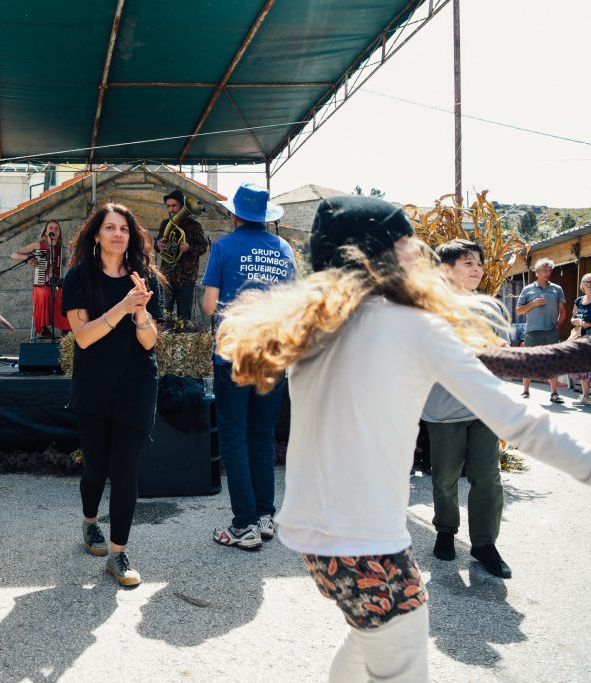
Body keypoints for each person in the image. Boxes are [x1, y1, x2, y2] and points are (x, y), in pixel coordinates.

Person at [215, 195, 590, 682]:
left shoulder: (313, 325)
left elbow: (472, 364)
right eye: (407, 240)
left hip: (313, 534)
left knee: (367, 639)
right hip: (365, 538)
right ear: (383, 253)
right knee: (401, 660)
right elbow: (521, 422)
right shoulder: (411, 324)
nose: (420, 251)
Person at [61, 203, 163, 587]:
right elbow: (84, 338)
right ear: (96, 235)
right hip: (94, 385)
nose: (118, 234)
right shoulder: (79, 278)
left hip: (137, 384)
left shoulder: (145, 278)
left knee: (125, 471)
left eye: (124, 228)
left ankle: (118, 554)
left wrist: (140, 313)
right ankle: (90, 523)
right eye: (110, 228)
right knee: (97, 467)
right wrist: (123, 306)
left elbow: (150, 341)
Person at [201, 182, 295, 551]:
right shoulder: (284, 249)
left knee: (234, 436)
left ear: (235, 213)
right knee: (261, 434)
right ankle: (265, 516)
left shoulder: (224, 246)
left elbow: (209, 306)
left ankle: (244, 524)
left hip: (235, 352)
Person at [420, 240, 511, 578]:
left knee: (488, 476)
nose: (477, 269)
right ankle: (445, 530)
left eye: (479, 264)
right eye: (468, 263)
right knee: (445, 476)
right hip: (444, 408)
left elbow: (503, 355)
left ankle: (484, 544)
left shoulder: (493, 308)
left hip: (484, 406)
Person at [515, 258, 566, 403]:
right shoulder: (527, 289)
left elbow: (563, 311)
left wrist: (557, 327)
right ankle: (525, 391)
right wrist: (533, 303)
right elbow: (519, 311)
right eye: (545, 270)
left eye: (550, 270)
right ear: (537, 272)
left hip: (550, 332)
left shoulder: (557, 289)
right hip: (532, 331)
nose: (548, 273)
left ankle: (554, 394)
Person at [11, 219, 71, 338]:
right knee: (45, 292)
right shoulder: (38, 245)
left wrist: (67, 263)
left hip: (58, 285)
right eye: (51, 228)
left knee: (68, 294)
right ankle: (42, 328)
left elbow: (70, 264)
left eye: (56, 228)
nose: (53, 230)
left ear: (59, 233)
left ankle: (66, 328)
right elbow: (14, 254)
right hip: (42, 285)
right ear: (45, 232)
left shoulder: (63, 249)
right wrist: (27, 258)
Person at [154, 189, 208, 322]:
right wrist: (158, 245)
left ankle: (182, 341)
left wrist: (189, 248)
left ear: (182, 207)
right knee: (165, 314)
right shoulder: (165, 224)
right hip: (166, 276)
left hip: (186, 277)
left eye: (174, 205)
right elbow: (158, 246)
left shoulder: (194, 226)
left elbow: (203, 247)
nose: (171, 209)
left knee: (184, 316)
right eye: (168, 206)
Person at [568, 273, 591, 405]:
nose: (589, 284)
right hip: (580, 336)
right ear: (582, 285)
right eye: (586, 282)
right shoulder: (578, 300)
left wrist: (587, 324)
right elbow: (572, 317)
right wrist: (575, 321)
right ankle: (585, 396)